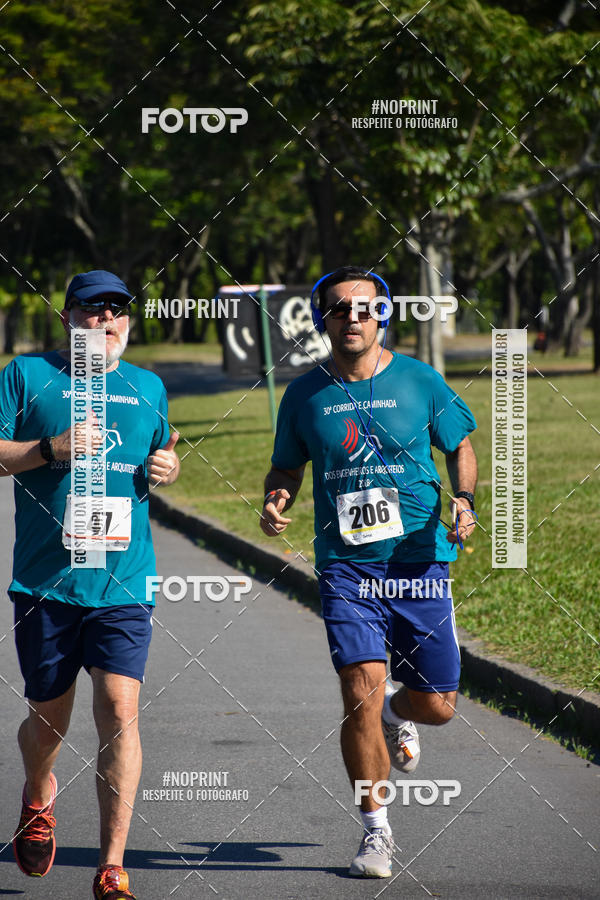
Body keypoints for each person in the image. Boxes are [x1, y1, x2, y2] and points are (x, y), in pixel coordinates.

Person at [260, 266, 477, 878]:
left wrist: (464, 500)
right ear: (320, 319)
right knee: (359, 689)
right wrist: (277, 499)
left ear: (383, 314)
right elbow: (285, 468)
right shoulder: (304, 395)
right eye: (337, 309)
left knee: (437, 705)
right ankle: (376, 831)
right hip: (346, 568)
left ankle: (399, 715)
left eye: (364, 308)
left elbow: (459, 444)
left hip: (419, 561)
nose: (351, 317)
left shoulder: (420, 380)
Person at [0, 270, 181, 900]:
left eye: (118, 312)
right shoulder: (26, 376)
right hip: (46, 583)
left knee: (120, 711)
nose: (106, 322)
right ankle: (38, 792)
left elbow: (157, 457)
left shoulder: (149, 385)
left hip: (124, 582)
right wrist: (49, 450)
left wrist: (167, 466)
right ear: (68, 316)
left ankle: (111, 866)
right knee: (47, 719)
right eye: (93, 310)